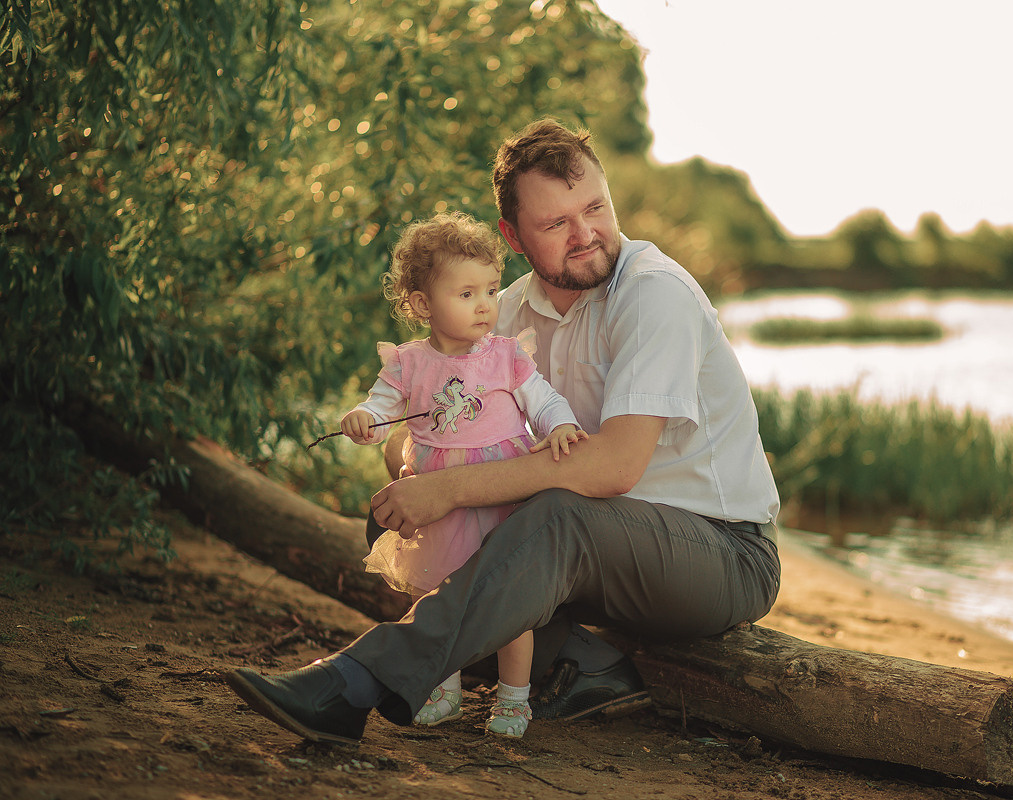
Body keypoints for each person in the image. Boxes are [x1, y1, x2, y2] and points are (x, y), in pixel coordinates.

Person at [224, 118, 782, 746]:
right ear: (512, 237)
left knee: (554, 515)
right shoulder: (502, 314)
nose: (586, 234)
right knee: (442, 555)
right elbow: (423, 437)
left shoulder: (656, 296)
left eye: (595, 207)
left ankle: (352, 684)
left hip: (720, 552)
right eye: (555, 224)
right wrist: (415, 478)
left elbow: (613, 468)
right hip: (591, 557)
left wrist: (454, 488)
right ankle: (592, 666)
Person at [339, 211, 586, 738]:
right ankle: (442, 686)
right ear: (423, 304)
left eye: (492, 290)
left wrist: (560, 425)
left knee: (506, 599)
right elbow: (382, 411)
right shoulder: (408, 363)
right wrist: (366, 422)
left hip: (498, 491)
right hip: (437, 500)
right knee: (437, 594)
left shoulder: (504, 356)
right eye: (467, 293)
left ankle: (514, 697)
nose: (485, 305)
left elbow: (542, 400)